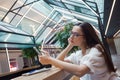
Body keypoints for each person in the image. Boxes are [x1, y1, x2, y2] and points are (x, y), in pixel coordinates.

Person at [39, 22, 120, 80]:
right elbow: (56, 63)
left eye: (76, 35)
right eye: (71, 33)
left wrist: (50, 59)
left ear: (85, 38)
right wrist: (69, 46)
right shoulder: (79, 54)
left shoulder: (96, 50)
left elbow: (80, 71)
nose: (71, 37)